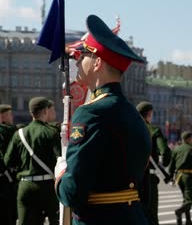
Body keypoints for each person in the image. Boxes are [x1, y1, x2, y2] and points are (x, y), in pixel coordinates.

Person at [54, 15, 151, 225]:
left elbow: (73, 193)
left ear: (97, 62)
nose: (77, 59)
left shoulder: (91, 113)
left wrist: (61, 173)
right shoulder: (133, 114)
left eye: (84, 54)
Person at [5, 96, 60, 225]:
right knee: (55, 221)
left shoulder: (19, 134)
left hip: (25, 185)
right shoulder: (51, 133)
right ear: (46, 111)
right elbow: (59, 160)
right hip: (47, 185)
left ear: (31, 113)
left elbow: (8, 161)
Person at [136, 101, 171, 225]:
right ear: (149, 114)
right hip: (148, 179)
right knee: (151, 215)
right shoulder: (154, 130)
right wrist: (165, 163)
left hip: (130, 179)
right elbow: (165, 152)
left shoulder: (128, 129)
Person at [168, 131, 192, 225]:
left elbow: (172, 165)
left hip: (179, 176)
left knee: (185, 198)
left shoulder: (176, 149)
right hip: (189, 176)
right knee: (189, 200)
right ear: (188, 139)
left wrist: (170, 177)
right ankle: (179, 212)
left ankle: (188, 220)